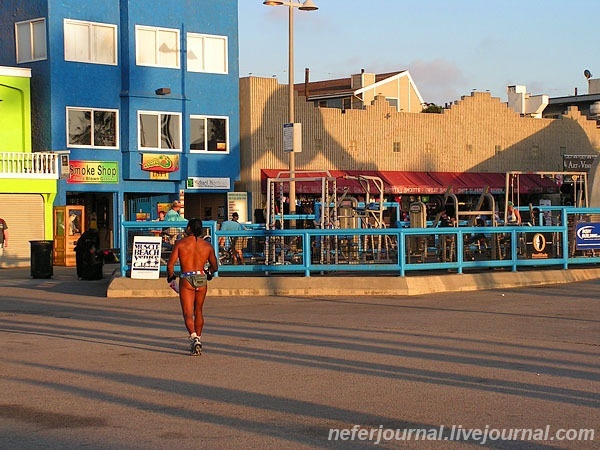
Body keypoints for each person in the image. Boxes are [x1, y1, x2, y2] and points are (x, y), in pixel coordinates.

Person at [167, 218, 218, 356]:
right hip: (201, 277)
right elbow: (215, 266)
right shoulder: (207, 246)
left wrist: (171, 276)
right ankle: (199, 338)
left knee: (187, 312)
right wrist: (208, 273)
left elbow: (170, 264)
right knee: (199, 311)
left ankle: (194, 338)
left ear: (189, 228)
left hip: (187, 278)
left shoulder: (180, 244)